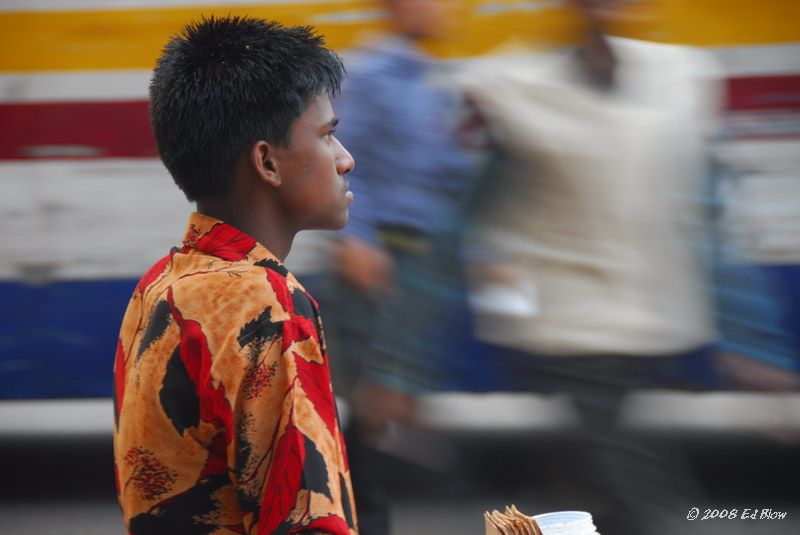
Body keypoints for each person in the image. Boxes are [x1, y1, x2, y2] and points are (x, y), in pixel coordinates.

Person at [457, 1, 721, 533]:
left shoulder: (679, 78)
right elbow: (476, 223)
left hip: (650, 320)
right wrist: (508, 313)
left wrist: (752, 339)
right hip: (566, 326)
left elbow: (704, 209)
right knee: (630, 479)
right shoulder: (514, 87)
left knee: (595, 477)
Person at [112, 16, 358, 534]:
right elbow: (305, 519)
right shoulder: (261, 302)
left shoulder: (164, 285)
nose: (345, 160)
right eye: (327, 135)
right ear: (267, 163)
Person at [319, 1, 476, 532]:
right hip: (380, 255)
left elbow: (444, 171)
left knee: (388, 390)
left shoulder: (429, 78)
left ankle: (365, 500)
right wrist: (356, 240)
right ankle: (356, 511)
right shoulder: (370, 74)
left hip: (418, 259)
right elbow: (343, 156)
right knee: (372, 399)